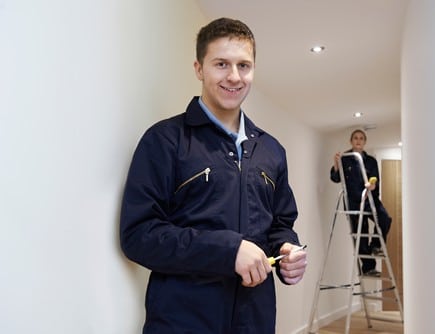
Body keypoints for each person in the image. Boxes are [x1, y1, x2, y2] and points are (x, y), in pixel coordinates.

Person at [119, 17, 307, 333]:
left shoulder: (271, 150)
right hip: (182, 322)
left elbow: (279, 225)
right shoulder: (165, 140)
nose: (234, 76)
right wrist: (228, 251)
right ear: (199, 68)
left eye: (244, 66)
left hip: (255, 321)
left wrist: (287, 250)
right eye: (221, 64)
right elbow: (139, 236)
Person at [330, 129, 392, 276]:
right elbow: (336, 178)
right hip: (353, 203)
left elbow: (376, 180)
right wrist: (336, 164)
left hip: (370, 199)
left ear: (365, 142)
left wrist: (372, 186)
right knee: (361, 235)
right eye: (356, 138)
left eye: (361, 138)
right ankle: (368, 268)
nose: (358, 140)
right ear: (351, 141)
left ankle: (376, 246)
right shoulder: (345, 158)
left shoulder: (371, 161)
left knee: (385, 219)